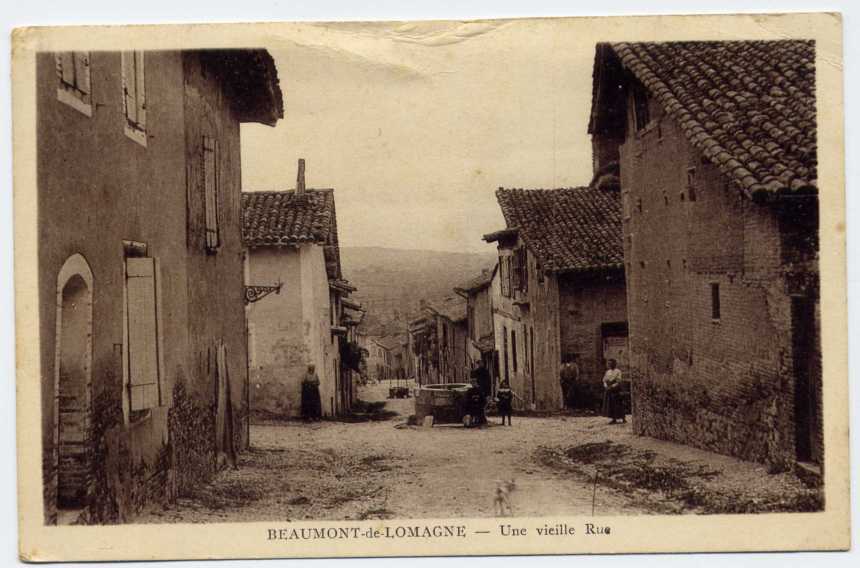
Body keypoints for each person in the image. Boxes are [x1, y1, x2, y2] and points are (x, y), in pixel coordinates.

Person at [601, 358, 626, 424]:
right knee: (610, 404)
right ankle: (613, 418)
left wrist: (612, 386)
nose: (610, 365)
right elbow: (604, 380)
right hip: (609, 389)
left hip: (616, 389)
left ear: (615, 364)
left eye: (611, 363)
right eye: (609, 363)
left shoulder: (618, 371)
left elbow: (619, 381)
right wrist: (606, 386)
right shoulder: (607, 372)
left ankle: (623, 417)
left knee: (617, 403)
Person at [470, 359, 492, 425]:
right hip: (478, 391)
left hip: (484, 391)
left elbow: (488, 382)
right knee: (478, 406)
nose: (480, 364)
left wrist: (488, 392)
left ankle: (482, 418)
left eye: (481, 363)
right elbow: (473, 381)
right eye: (479, 363)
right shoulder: (475, 372)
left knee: (483, 405)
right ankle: (479, 419)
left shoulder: (486, 372)